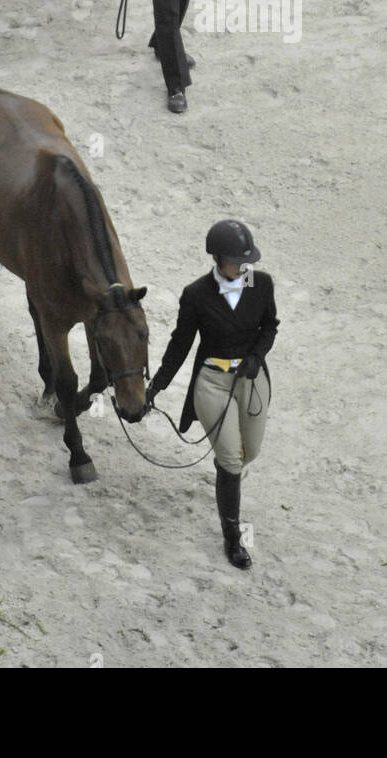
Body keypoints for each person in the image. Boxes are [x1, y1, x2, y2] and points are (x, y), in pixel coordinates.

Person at [146, 220, 278, 569]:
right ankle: (232, 537)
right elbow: (180, 345)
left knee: (248, 453)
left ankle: (226, 475)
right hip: (212, 381)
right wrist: (156, 385)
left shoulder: (260, 283)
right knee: (232, 461)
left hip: (250, 379)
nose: (245, 267)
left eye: (247, 260)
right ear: (219, 258)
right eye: (238, 260)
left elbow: (270, 326)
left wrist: (256, 357)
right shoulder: (196, 294)